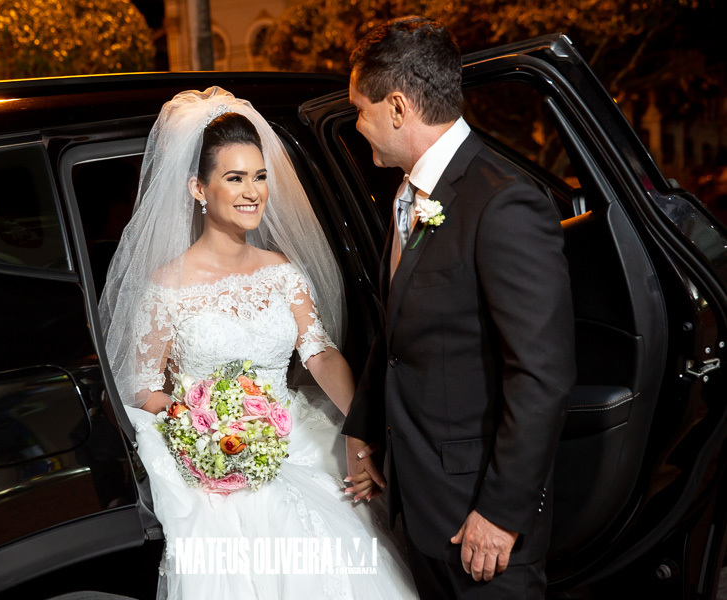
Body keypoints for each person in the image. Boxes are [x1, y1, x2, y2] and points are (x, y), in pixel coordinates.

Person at [99, 87, 417, 599]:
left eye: (260, 176)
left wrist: (360, 431)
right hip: (216, 454)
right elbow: (140, 389)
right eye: (235, 178)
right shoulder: (166, 287)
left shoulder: (282, 272)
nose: (253, 192)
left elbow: (320, 354)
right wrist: (202, 424)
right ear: (199, 188)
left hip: (295, 434)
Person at [341, 17, 577, 600]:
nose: (357, 124)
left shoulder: (504, 202)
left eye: (360, 110)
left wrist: (501, 512)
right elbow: (397, 335)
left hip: (481, 517)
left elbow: (542, 373)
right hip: (419, 498)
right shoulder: (408, 193)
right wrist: (365, 432)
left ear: (398, 107)